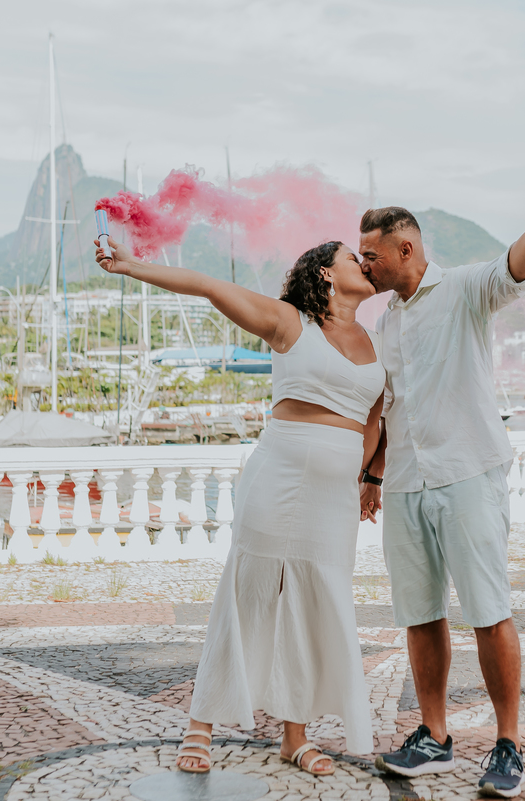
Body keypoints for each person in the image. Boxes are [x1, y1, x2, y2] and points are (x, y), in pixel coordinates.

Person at [94, 236, 385, 775]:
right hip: (280, 474)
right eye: (353, 258)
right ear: (324, 273)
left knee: (318, 602)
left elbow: (374, 419)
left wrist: (368, 478)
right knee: (247, 592)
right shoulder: (291, 323)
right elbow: (207, 286)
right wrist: (130, 267)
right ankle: (200, 723)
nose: (364, 264)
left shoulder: (375, 340)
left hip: (335, 495)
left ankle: (294, 736)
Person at [357, 175, 525, 798]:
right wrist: (372, 474)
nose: (364, 264)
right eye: (360, 255)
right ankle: (434, 735)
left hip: (470, 474)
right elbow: (393, 404)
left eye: (372, 254)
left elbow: (515, 269)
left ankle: (507, 743)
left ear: (406, 250)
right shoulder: (386, 322)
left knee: (487, 611)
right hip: (407, 485)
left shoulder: (467, 288)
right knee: (419, 615)